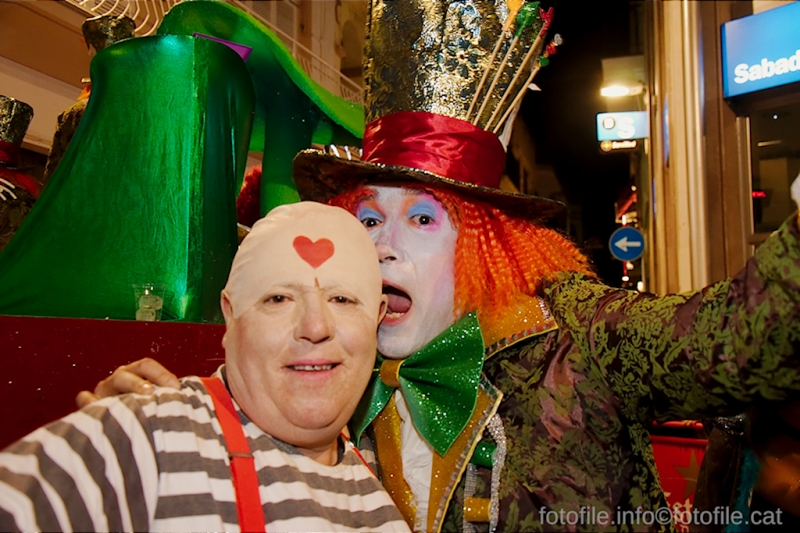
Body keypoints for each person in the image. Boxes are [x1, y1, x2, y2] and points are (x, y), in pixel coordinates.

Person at [81, 1, 800, 531]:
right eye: (368, 219)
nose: (382, 247)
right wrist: (179, 414)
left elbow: (740, 337)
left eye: (422, 218)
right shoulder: (335, 360)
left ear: (485, 242)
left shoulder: (578, 339)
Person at [1, 202, 410, 532]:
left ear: (376, 318)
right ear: (230, 317)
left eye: (342, 300)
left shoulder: (379, 480)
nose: (315, 327)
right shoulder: (153, 435)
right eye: (278, 299)